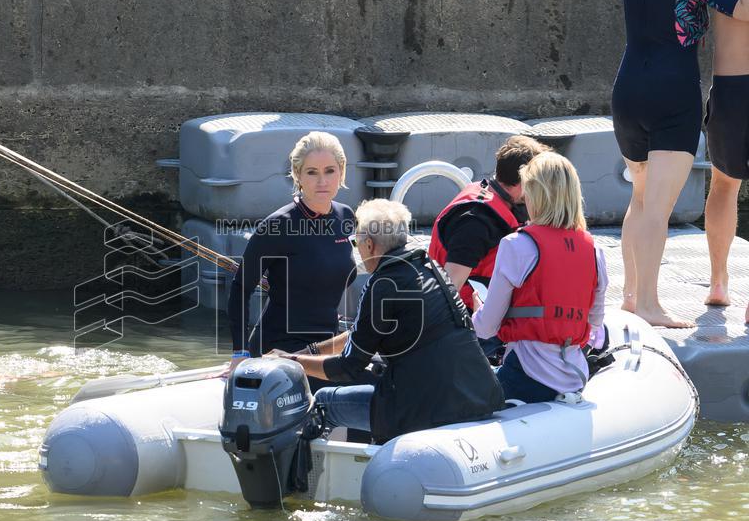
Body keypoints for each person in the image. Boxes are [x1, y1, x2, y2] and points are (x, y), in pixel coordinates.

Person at [588, 0, 749, 327]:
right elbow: (740, 8)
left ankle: (632, 296)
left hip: (627, 89)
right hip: (674, 95)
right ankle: (648, 303)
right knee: (657, 210)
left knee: (641, 199)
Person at [268, 199, 504, 445]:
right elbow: (366, 333)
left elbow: (348, 368)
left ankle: (304, 481)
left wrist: (289, 361)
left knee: (324, 401)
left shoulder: (381, 284)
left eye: (355, 243)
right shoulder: (430, 268)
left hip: (428, 410)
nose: (356, 250)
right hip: (478, 396)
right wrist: (312, 351)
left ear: (369, 244)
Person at [473, 153, 609, 403]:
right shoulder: (595, 251)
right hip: (574, 377)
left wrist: (477, 310)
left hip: (525, 377)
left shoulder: (516, 245)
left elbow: (486, 327)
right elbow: (596, 320)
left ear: (534, 194)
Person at [227, 131, 357, 377]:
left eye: (330, 170)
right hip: (279, 350)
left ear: (341, 171)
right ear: (297, 175)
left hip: (325, 349)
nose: (322, 181)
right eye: (312, 172)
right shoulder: (278, 225)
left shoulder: (346, 216)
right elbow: (240, 288)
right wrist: (240, 353)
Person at [428, 135, 549, 310]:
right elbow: (450, 287)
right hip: (471, 319)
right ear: (524, 181)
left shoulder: (496, 197)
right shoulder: (475, 222)